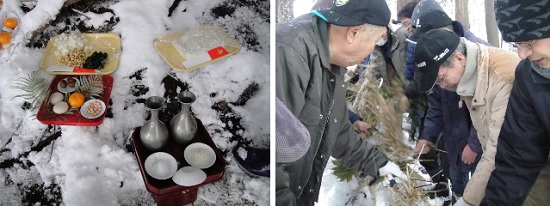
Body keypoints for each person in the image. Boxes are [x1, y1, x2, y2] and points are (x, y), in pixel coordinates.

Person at [275, 0, 406, 205]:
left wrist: (378, 164)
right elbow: (272, 155)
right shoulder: (290, 53)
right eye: (374, 42)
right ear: (354, 33)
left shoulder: (334, 64)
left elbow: (336, 128)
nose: (371, 51)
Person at [413, 29, 522, 206]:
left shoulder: (501, 79)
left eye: (441, 78)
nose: (442, 86)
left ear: (459, 59)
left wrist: (467, 201)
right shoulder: (469, 75)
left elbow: (498, 151)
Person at [482, 0, 550, 205]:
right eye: (516, 44)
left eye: (529, 42)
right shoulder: (528, 74)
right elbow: (518, 158)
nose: (522, 54)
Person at [414, 85, 482, 198]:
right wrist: (427, 137)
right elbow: (435, 110)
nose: (441, 83)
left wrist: (473, 145)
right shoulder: (439, 82)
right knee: (456, 178)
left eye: (442, 78)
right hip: (453, 145)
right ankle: (459, 198)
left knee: (481, 185)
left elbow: (483, 114)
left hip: (479, 147)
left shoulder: (477, 79)